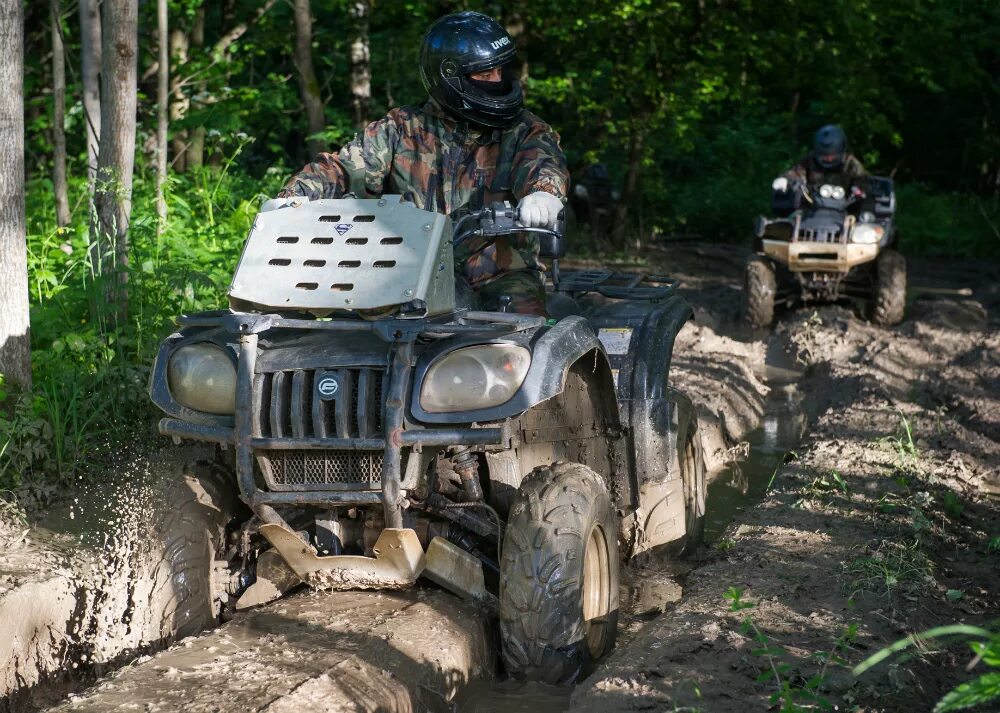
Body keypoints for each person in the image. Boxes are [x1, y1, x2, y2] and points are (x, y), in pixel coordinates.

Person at [275, 11, 568, 316]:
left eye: (499, 71)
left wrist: (543, 193)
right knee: (345, 331)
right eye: (484, 75)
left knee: (520, 339)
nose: (496, 80)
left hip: (499, 275)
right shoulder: (402, 128)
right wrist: (293, 198)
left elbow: (544, 162)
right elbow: (342, 168)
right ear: (449, 78)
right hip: (405, 269)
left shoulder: (524, 130)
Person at [772, 124, 867, 194]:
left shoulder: (851, 164)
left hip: (845, 211)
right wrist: (785, 180)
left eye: (833, 155)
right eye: (824, 155)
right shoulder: (809, 161)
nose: (829, 159)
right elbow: (795, 173)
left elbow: (863, 182)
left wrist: (858, 190)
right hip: (812, 208)